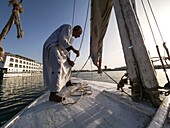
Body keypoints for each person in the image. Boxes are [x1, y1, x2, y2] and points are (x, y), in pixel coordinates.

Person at [43, 24, 82, 102]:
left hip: (59, 50)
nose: (79, 36)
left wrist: (69, 60)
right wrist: (74, 50)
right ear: (77, 30)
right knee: (57, 66)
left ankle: (68, 82)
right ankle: (53, 95)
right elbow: (62, 40)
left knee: (68, 65)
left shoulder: (70, 38)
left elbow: (65, 50)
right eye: (79, 34)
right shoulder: (68, 27)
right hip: (53, 46)